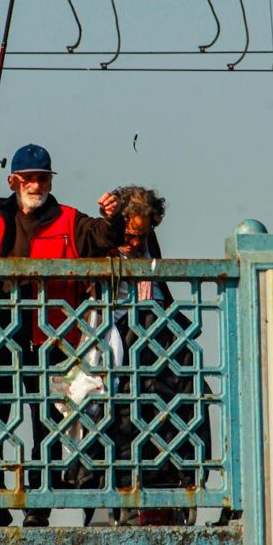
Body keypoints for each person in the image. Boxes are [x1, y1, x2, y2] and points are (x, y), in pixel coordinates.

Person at [0, 143, 124, 527]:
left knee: (46, 423)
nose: (36, 185)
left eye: (43, 179)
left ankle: (38, 504)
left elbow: (101, 237)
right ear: (13, 180)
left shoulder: (70, 219)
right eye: (29, 179)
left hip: (49, 338)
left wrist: (111, 216)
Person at [79, 186, 211, 525]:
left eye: (143, 236)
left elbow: (158, 291)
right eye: (132, 235)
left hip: (151, 337)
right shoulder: (100, 241)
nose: (136, 243)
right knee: (116, 403)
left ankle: (180, 474)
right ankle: (110, 483)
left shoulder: (148, 245)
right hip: (112, 337)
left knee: (189, 387)